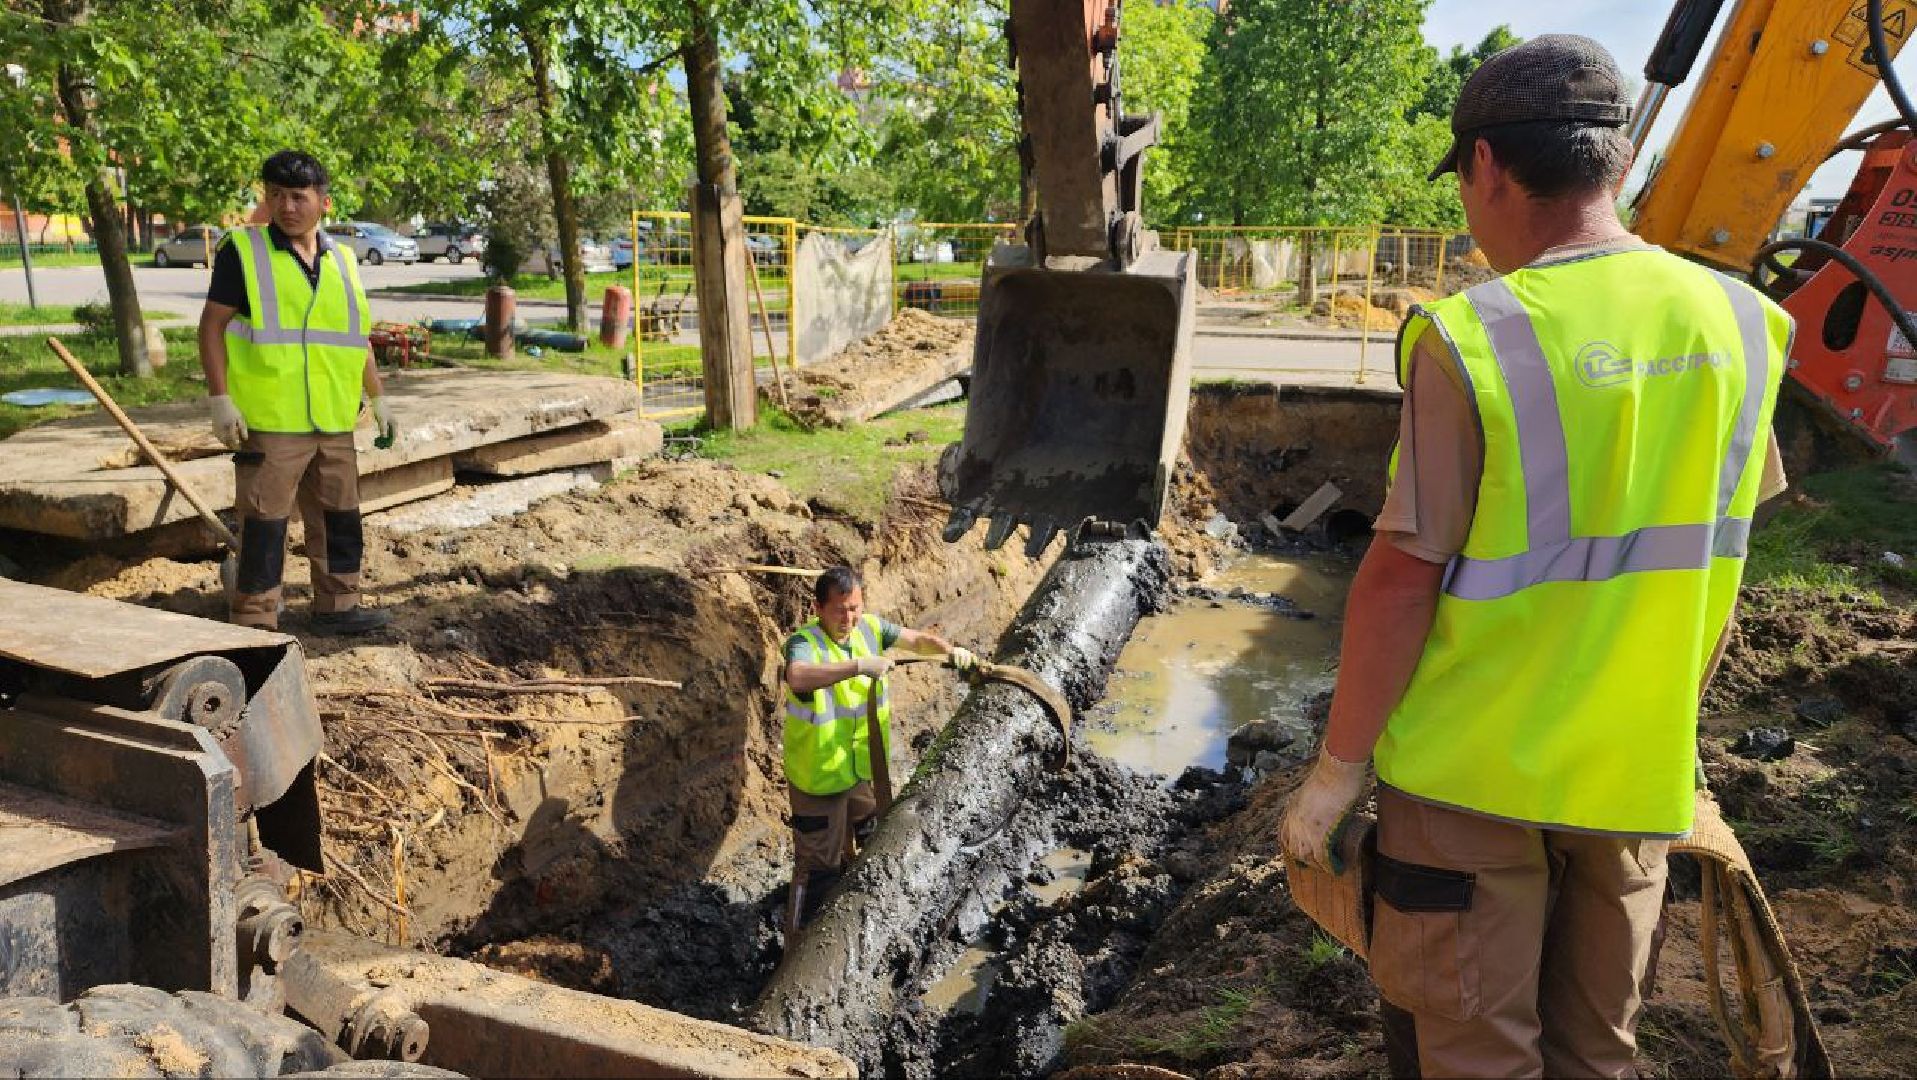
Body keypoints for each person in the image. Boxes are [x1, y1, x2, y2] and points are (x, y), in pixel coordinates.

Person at [1278, 35, 1792, 1078]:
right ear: (1624, 164)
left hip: (1467, 782)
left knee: (1471, 1055)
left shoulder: (1474, 336)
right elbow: (1716, 558)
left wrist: (1336, 774)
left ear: (1486, 167)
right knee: (1594, 1056)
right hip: (1633, 778)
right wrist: (1669, 720)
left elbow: (1400, 575)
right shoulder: (1742, 325)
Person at [198, 150, 396, 635]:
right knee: (265, 523)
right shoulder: (242, 252)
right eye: (276, 195)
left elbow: (356, 339)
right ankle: (255, 618)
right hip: (271, 420)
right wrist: (220, 399)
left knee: (339, 517)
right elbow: (211, 328)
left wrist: (379, 397)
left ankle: (338, 608)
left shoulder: (344, 261)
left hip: (333, 418)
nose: (286, 206)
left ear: (323, 202)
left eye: (297, 197)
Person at [779, 565, 976, 936]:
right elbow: (798, 675)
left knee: (871, 834)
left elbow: (917, 640)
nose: (848, 618)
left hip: (857, 771)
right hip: (818, 778)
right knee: (819, 868)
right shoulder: (805, 643)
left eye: (854, 608)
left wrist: (952, 653)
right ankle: (799, 943)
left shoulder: (869, 628)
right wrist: (856, 666)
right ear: (818, 608)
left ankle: (863, 919)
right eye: (839, 610)